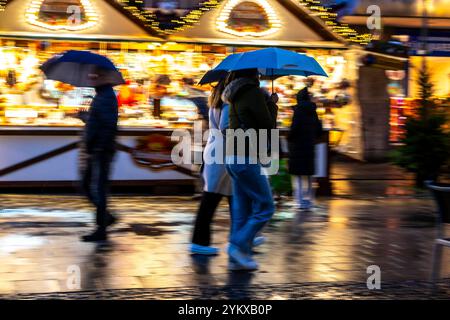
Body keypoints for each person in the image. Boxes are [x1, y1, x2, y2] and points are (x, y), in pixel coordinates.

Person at [222, 68, 277, 271]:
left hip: (233, 155)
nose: (260, 76)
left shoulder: (234, 94)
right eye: (258, 74)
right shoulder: (252, 92)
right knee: (266, 207)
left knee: (241, 210)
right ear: (254, 75)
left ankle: (237, 258)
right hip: (247, 156)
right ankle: (237, 245)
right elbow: (268, 124)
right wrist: (272, 104)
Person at [190, 79, 232, 255]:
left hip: (215, 149)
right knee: (211, 197)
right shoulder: (228, 104)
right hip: (223, 152)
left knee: (230, 195)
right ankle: (200, 241)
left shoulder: (215, 102)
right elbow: (225, 127)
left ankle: (240, 238)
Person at [80, 83, 119, 242]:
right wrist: (87, 118)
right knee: (91, 185)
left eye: (95, 75)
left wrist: (98, 147)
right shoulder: (103, 95)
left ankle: (101, 228)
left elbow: (107, 125)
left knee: (96, 187)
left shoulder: (106, 97)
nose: (91, 78)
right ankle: (105, 218)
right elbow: (99, 121)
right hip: (98, 148)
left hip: (101, 149)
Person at [288, 87, 323, 210]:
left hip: (297, 148)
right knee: (308, 174)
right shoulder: (314, 111)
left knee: (297, 175)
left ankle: (299, 201)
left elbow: (294, 129)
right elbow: (319, 131)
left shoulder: (298, 111)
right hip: (309, 147)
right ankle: (309, 200)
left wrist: (289, 138)